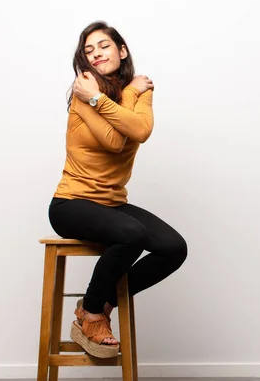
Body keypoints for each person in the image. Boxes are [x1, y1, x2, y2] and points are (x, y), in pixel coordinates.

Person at [48, 21, 188, 358]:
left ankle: (100, 302)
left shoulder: (139, 90)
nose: (96, 55)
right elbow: (114, 141)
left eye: (103, 46)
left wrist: (114, 96)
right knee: (132, 235)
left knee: (173, 248)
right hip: (71, 202)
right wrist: (108, 95)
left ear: (121, 50)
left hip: (111, 203)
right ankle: (92, 316)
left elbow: (139, 129)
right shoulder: (84, 93)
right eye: (89, 51)